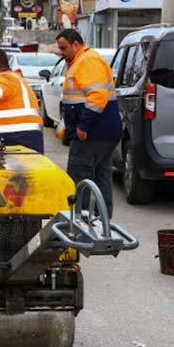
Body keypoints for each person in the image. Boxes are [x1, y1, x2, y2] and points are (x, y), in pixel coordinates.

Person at [56, 29, 122, 218]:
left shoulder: (87, 61)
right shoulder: (83, 60)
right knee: (101, 179)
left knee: (80, 181)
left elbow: (97, 96)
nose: (61, 52)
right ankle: (102, 224)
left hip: (92, 135)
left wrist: (84, 126)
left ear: (76, 44)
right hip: (102, 133)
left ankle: (82, 224)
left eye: (64, 48)